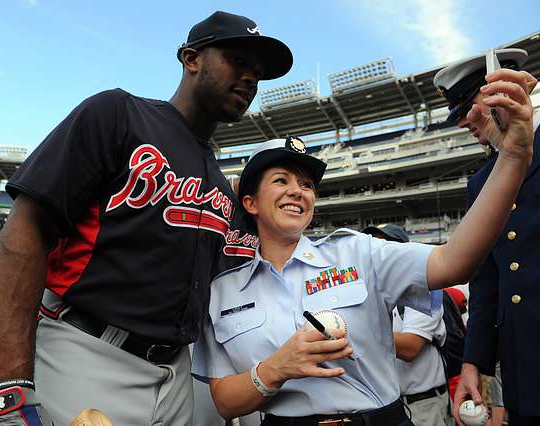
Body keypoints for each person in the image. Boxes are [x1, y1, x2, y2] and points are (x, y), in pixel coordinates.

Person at [0, 11, 292, 426]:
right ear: (192, 58)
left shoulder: (219, 182)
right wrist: (9, 387)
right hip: (89, 351)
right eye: (238, 59)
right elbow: (25, 230)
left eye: (258, 72)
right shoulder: (119, 114)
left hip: (179, 370)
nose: (251, 77)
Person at [192, 75, 534, 426]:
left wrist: (512, 156)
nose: (298, 191)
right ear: (250, 202)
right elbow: (224, 401)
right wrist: (276, 368)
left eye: (307, 184)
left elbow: (454, 261)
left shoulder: (359, 253)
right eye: (281, 180)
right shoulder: (223, 290)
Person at [434, 48, 540, 426]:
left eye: (467, 106)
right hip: (525, 374)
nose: (462, 121)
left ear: (498, 91)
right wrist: (474, 362)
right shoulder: (481, 182)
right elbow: (487, 283)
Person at [363, 224, 453, 426]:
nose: (376, 254)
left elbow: (410, 347)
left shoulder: (428, 290)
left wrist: (356, 331)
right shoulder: (370, 294)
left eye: (383, 246)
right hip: (387, 406)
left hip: (423, 404)